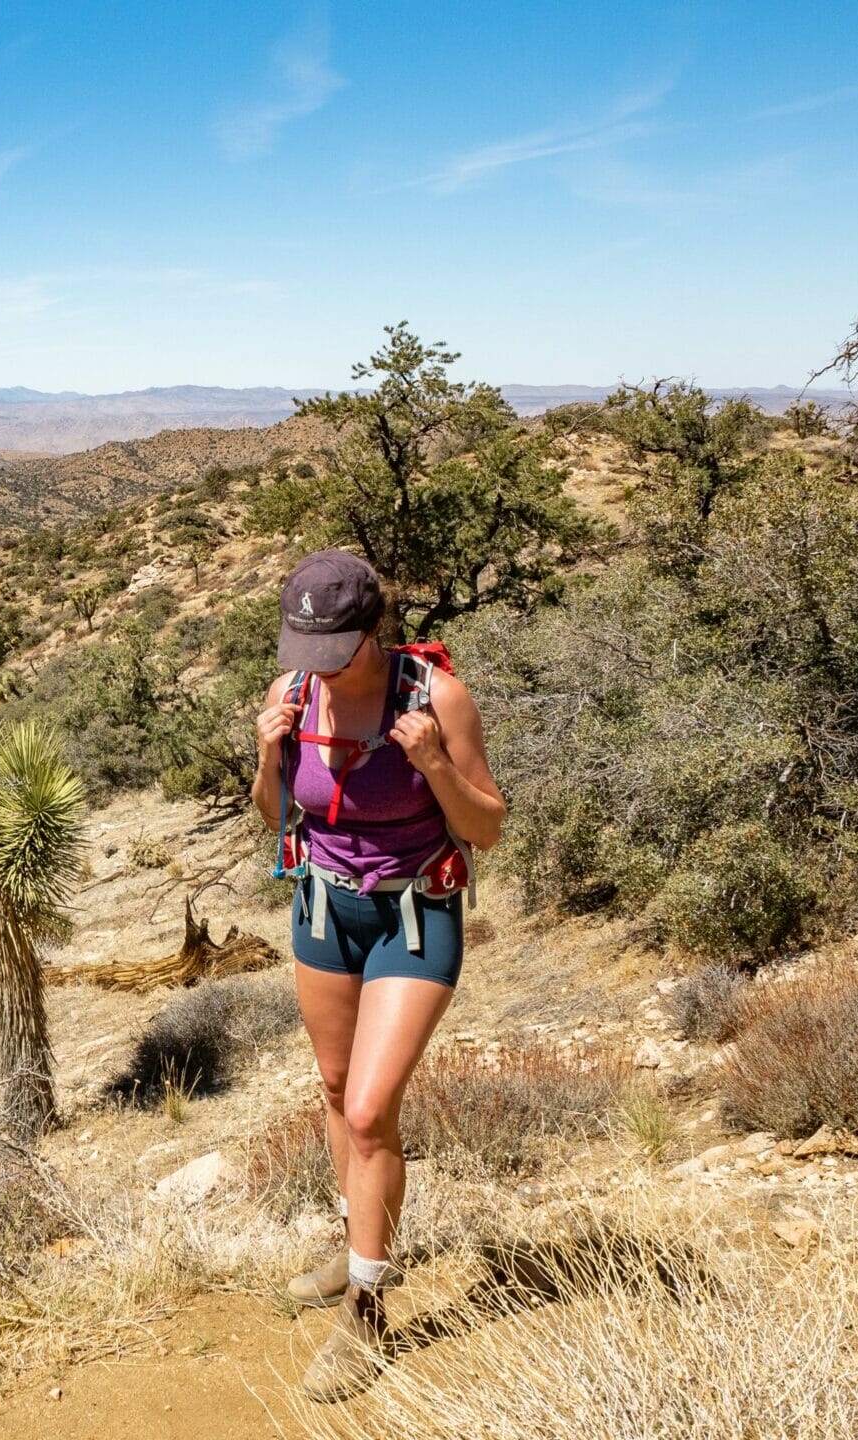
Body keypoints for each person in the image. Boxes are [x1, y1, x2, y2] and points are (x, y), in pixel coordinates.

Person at [250, 550, 506, 1403]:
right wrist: (266, 755)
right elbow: (277, 811)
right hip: (325, 908)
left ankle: (365, 1308)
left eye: (334, 646)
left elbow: (490, 826)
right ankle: (354, 1239)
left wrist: (434, 765)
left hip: (414, 912)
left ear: (374, 631)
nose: (316, 664)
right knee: (332, 1088)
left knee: (369, 1109)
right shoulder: (295, 693)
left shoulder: (433, 697)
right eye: (305, 645)